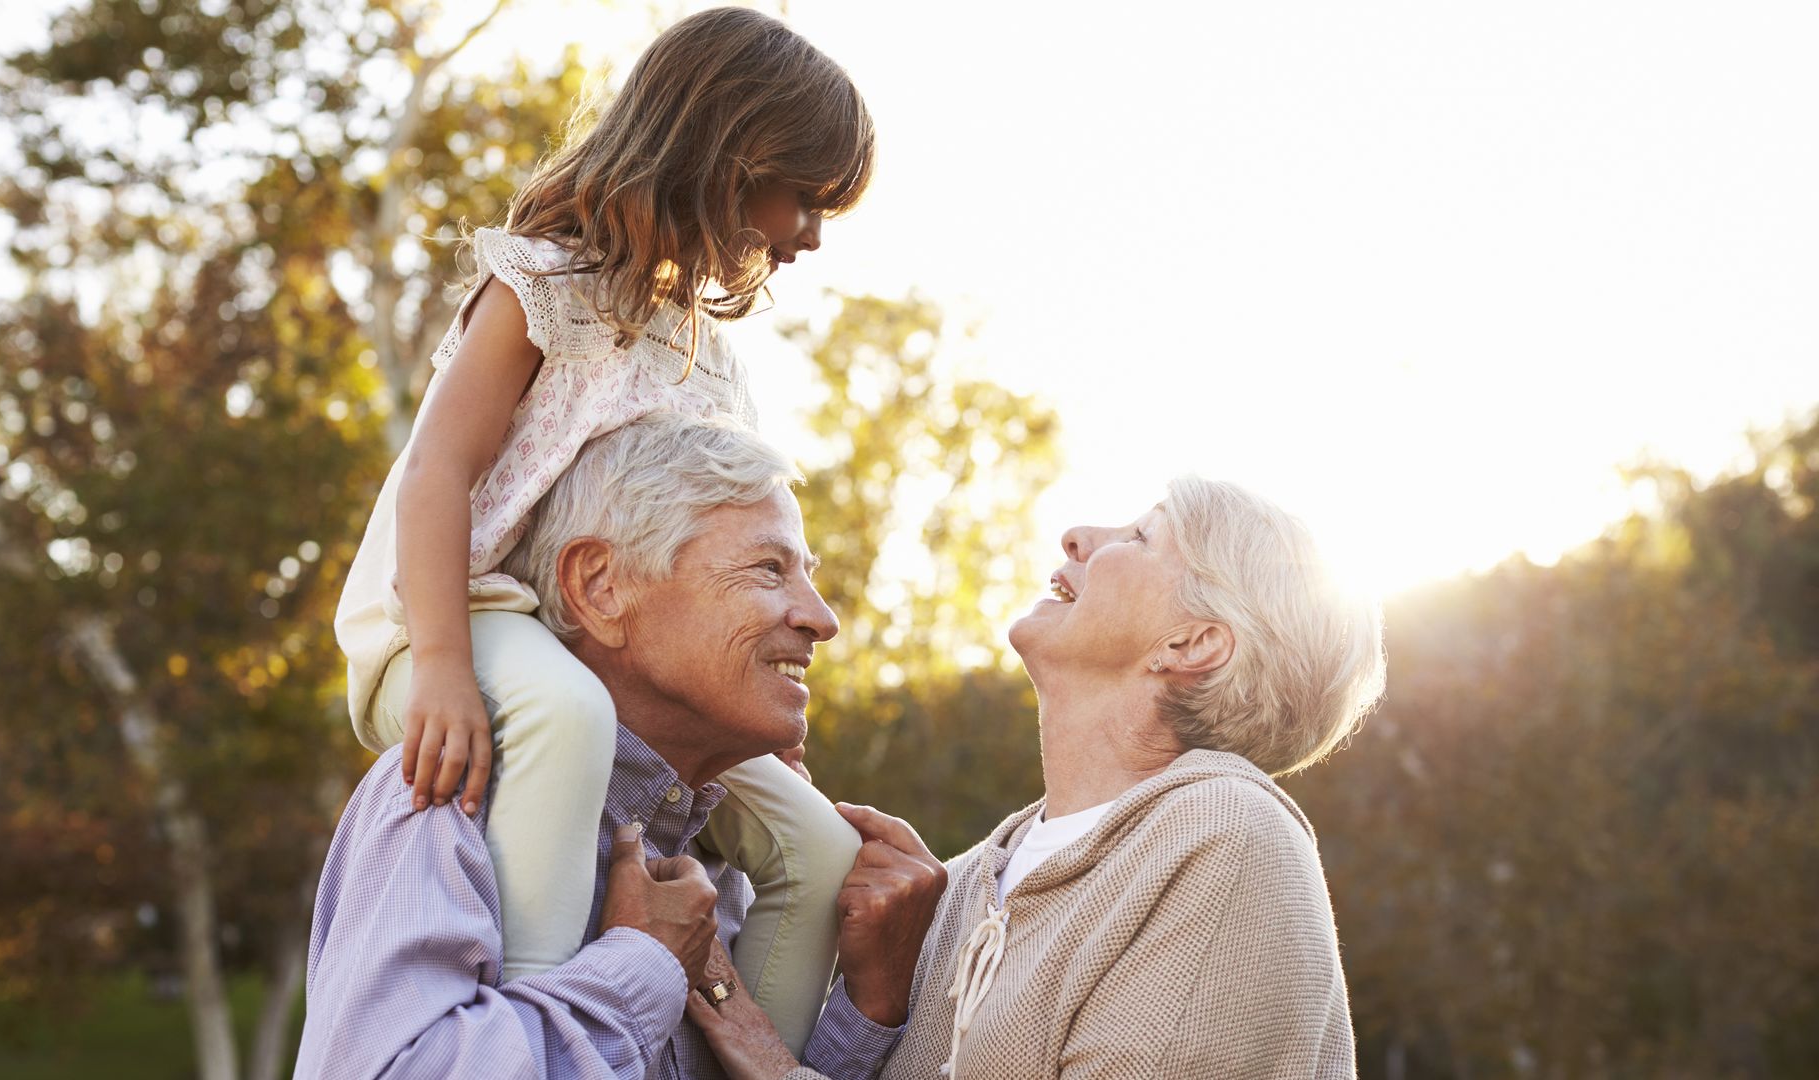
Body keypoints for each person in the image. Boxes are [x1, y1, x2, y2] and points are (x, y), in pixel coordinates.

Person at [330, 6, 875, 1051]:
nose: (809, 234)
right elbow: (437, 472)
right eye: (804, 198)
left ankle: (746, 1061)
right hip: (464, 608)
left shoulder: (704, 353)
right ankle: (546, 1032)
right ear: (728, 156)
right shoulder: (542, 280)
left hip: (595, 638)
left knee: (813, 840)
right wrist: (440, 663)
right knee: (566, 717)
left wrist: (753, 712)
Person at [297, 415, 945, 1078]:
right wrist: (642, 962)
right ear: (601, 587)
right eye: (768, 569)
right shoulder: (444, 801)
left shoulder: (718, 872)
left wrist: (873, 1003)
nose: (822, 618)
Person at [685, 477, 1388, 1079]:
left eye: (1142, 536)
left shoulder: (1227, 839)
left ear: (1192, 643)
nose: (1077, 536)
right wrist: (875, 1000)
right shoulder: (961, 883)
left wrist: (753, 1041)